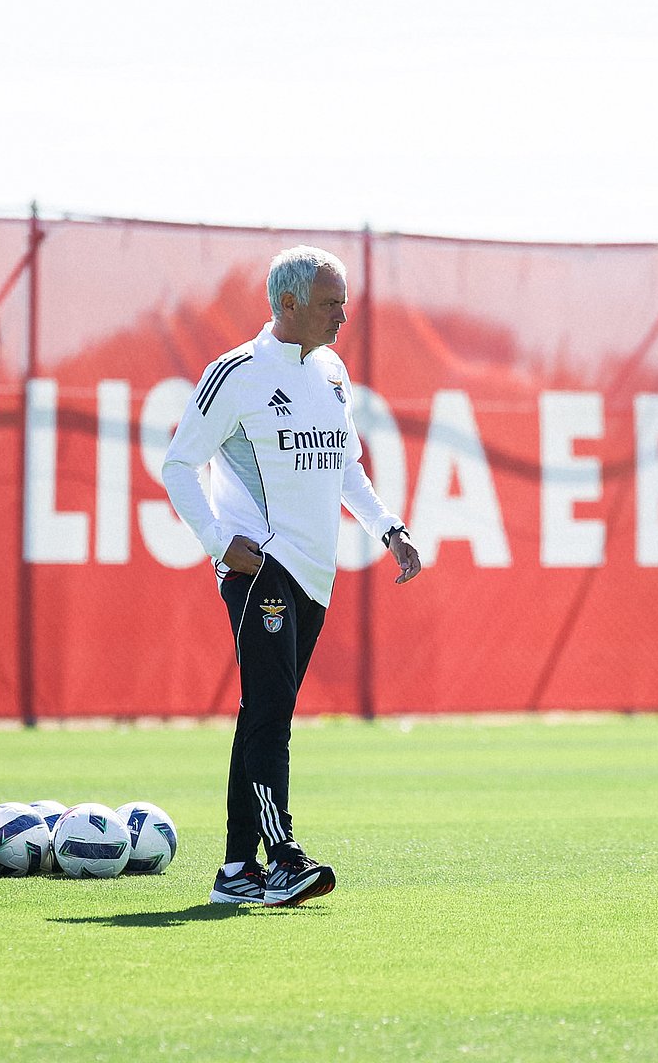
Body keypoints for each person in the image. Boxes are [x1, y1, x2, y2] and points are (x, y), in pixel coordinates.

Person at [162, 245, 421, 908]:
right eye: (332, 303)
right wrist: (220, 542)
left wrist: (387, 527)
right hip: (261, 567)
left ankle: (233, 872)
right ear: (287, 304)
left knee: (262, 715)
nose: (344, 314)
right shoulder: (237, 373)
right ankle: (282, 858)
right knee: (271, 714)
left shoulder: (334, 373)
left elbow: (344, 466)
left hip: (316, 571)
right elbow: (178, 465)